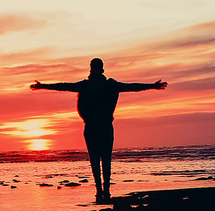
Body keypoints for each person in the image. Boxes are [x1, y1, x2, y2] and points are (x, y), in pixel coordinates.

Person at [31, 58, 167, 201]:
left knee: (96, 159)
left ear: (91, 69)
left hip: (93, 126)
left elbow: (64, 86)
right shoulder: (109, 85)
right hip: (103, 126)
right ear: (102, 69)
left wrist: (42, 86)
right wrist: (152, 86)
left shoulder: (88, 85)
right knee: (104, 159)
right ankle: (104, 190)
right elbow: (132, 87)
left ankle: (101, 190)